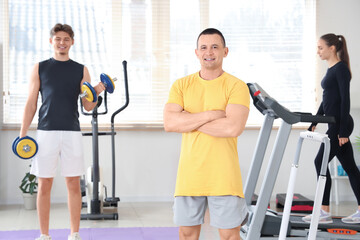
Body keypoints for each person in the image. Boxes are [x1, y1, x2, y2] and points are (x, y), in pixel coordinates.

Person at [19, 23, 105, 240]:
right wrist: (23, 133)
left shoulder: (81, 69)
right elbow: (31, 103)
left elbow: (87, 106)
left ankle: (74, 233)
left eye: (66, 39)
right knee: (44, 183)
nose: (62, 42)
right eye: (58, 38)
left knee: (73, 183)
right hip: (46, 132)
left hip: (71, 132)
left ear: (72, 42)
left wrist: (97, 91)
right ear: (51, 41)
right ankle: (44, 235)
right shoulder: (40, 68)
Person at [163, 28, 250, 240]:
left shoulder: (236, 86)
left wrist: (188, 120)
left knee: (230, 235)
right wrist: (212, 114)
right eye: (203, 47)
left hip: (224, 175)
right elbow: (169, 123)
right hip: (189, 174)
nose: (208, 52)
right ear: (196, 52)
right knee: (187, 234)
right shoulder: (181, 85)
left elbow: (232, 128)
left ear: (225, 51)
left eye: (214, 47)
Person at [302, 33, 360, 224]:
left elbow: (345, 100)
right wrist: (315, 120)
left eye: (320, 47)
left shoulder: (341, 69)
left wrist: (343, 131)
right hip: (334, 123)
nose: (318, 51)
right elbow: (327, 98)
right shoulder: (331, 69)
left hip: (340, 124)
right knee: (351, 168)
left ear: (332, 48)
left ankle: (324, 211)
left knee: (320, 162)